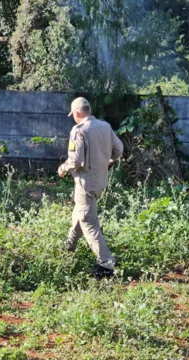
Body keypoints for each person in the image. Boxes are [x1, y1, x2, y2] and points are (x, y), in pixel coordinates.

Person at [58, 97, 124, 278]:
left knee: (88, 222)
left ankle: (107, 264)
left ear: (77, 113)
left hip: (85, 184)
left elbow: (76, 160)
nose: (73, 118)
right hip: (100, 182)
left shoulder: (78, 131)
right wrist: (106, 162)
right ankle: (67, 249)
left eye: (73, 115)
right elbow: (119, 150)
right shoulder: (105, 126)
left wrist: (63, 168)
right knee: (81, 215)